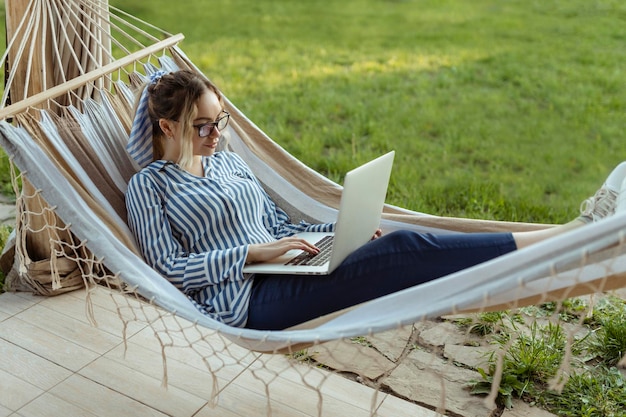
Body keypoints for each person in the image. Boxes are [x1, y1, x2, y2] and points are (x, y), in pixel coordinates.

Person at [125, 69, 625, 330]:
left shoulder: (228, 161)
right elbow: (166, 269)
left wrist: (333, 238)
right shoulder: (151, 186)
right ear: (168, 127)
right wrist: (253, 255)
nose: (216, 133)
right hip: (247, 301)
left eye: (221, 120)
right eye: (203, 125)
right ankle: (574, 238)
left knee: (393, 243)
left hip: (290, 268)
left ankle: (570, 237)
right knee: (404, 250)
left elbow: (277, 224)